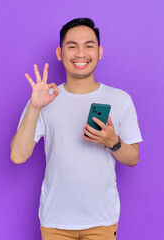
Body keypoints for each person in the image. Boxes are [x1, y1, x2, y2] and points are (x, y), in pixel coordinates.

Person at [10, 18, 143, 240]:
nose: (81, 53)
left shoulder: (121, 99)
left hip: (102, 220)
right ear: (59, 53)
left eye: (89, 46)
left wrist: (112, 141)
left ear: (99, 52)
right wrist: (34, 107)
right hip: (55, 221)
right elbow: (18, 156)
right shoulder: (44, 99)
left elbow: (132, 159)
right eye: (72, 46)